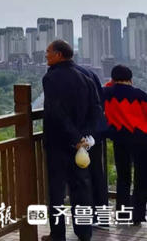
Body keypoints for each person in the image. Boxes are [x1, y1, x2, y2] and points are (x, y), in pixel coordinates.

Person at [42, 40, 100, 241]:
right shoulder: (87, 77)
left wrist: (74, 137)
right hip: (82, 146)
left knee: (57, 192)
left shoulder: (52, 78)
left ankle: (58, 235)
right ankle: (84, 233)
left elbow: (56, 111)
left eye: (48, 52)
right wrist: (84, 138)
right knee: (81, 189)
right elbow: (96, 112)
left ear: (58, 54)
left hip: (59, 143)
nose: (46, 55)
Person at [102, 64, 147, 224]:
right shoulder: (141, 95)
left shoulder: (107, 93)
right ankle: (138, 216)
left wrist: (111, 84)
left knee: (123, 178)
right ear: (131, 78)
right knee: (141, 178)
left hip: (120, 140)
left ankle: (122, 215)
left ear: (113, 79)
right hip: (142, 141)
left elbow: (103, 90)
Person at [72, 62, 109, 222]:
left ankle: (87, 219)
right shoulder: (89, 72)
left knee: (81, 177)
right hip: (95, 132)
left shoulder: (66, 75)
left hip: (80, 135)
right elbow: (100, 101)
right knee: (96, 173)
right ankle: (102, 216)